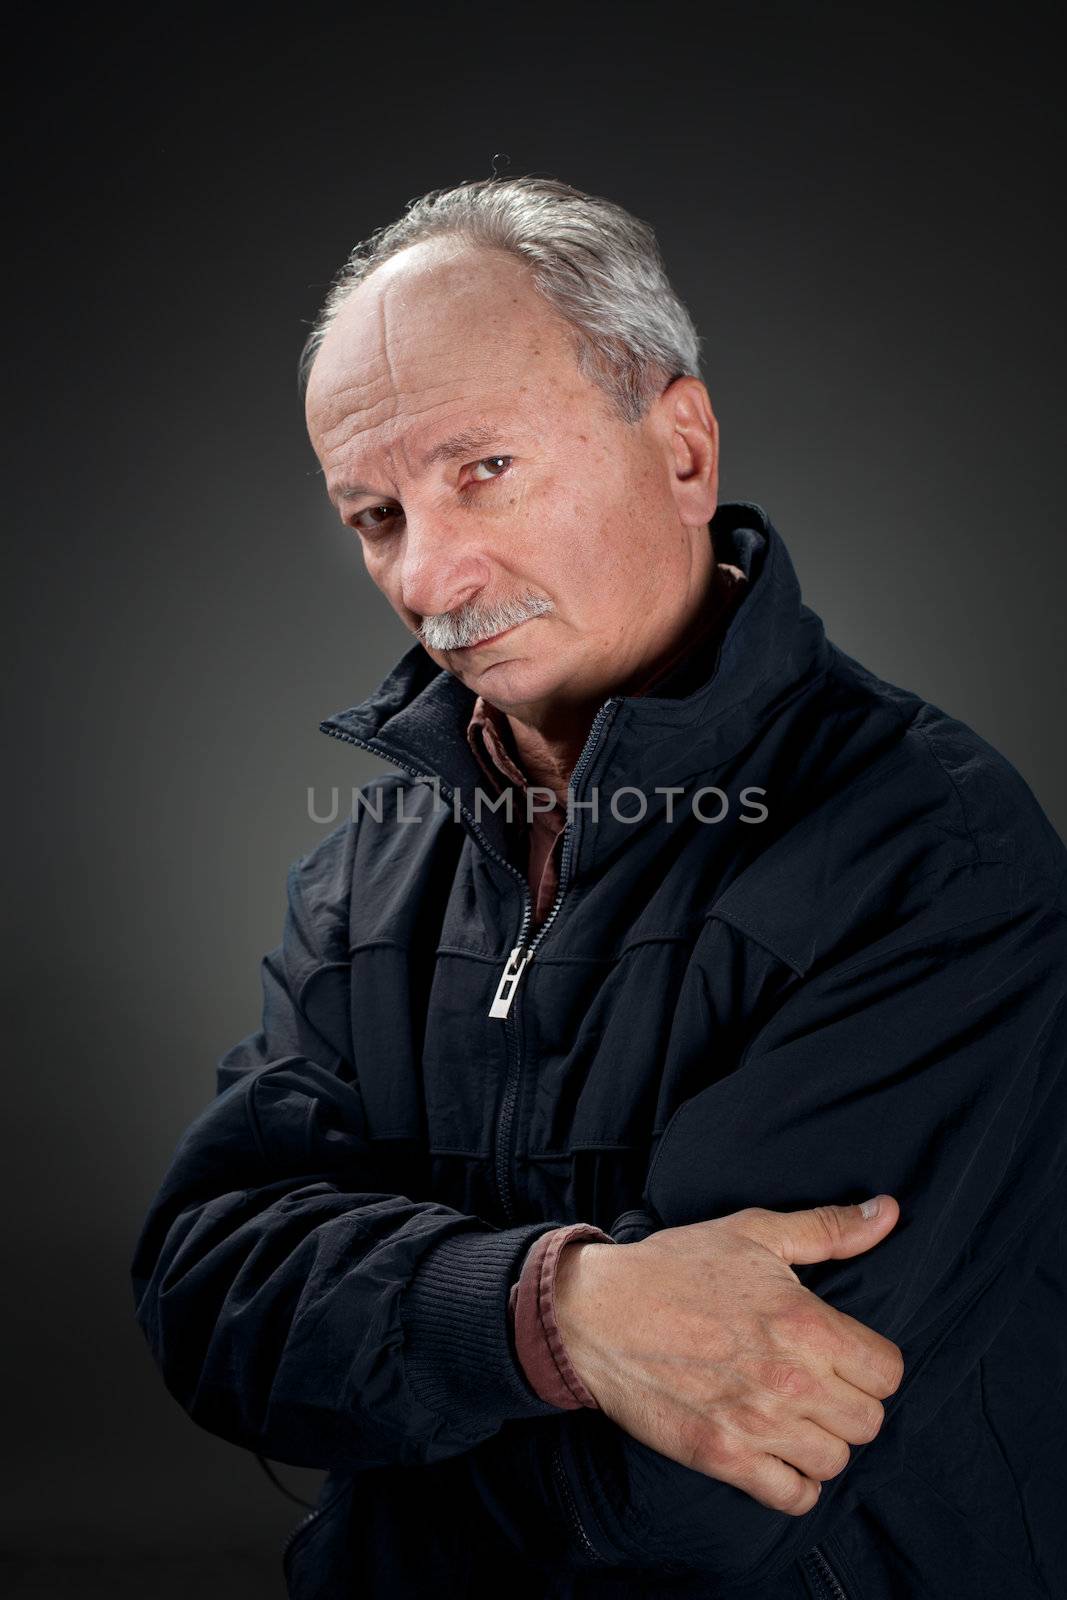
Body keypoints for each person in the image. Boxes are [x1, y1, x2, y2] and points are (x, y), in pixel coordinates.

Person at [131, 177, 1067, 1600]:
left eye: (482, 469)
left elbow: (703, 1483)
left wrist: (387, 1425)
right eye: (376, 514)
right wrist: (551, 1314)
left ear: (682, 449)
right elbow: (209, 1298)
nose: (430, 575)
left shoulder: (934, 849)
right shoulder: (371, 861)